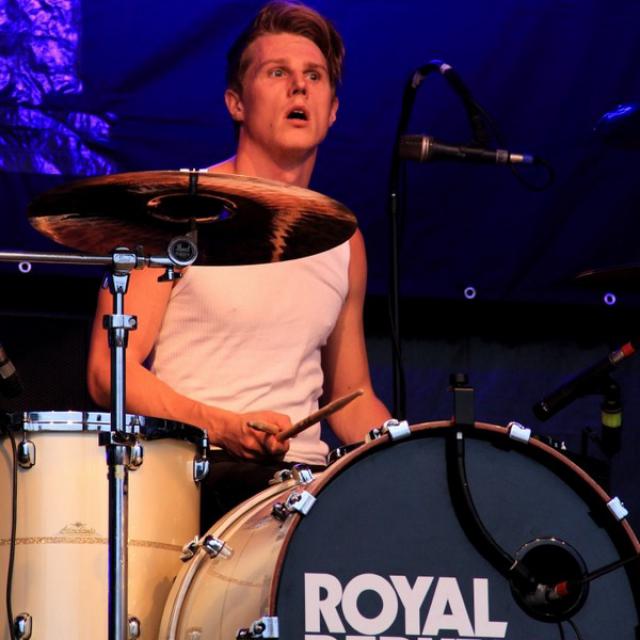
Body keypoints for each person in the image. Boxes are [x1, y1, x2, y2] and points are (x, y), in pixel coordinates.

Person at [87, 0, 390, 530]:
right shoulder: (178, 209)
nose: (299, 88)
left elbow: (350, 400)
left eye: (314, 76)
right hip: (196, 473)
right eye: (278, 73)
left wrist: (421, 457)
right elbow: (108, 372)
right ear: (236, 103)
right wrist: (221, 425)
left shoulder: (344, 239)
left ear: (333, 110)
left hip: (303, 491)